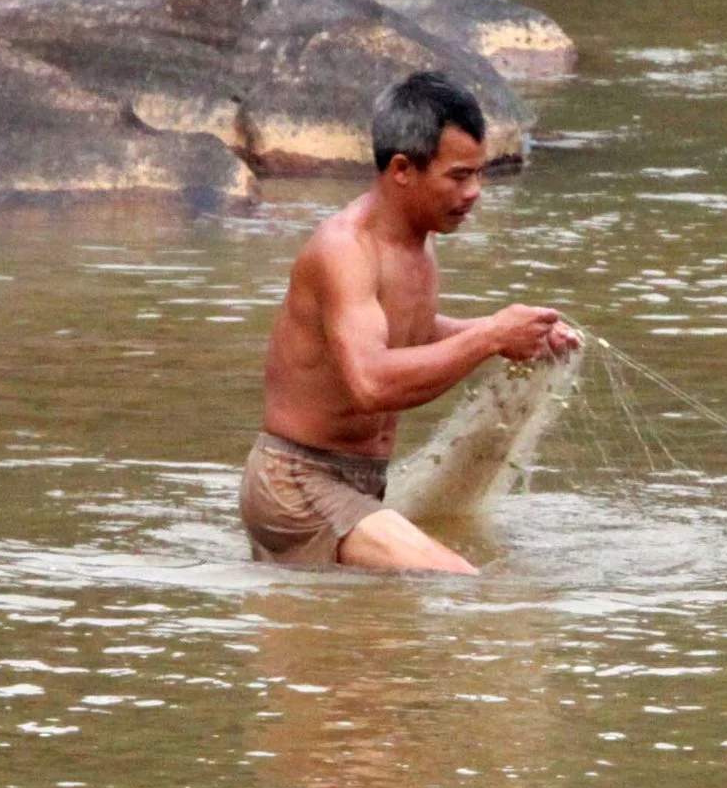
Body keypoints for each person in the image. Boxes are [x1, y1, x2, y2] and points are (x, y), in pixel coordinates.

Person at [247, 71, 580, 573]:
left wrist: (513, 337)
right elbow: (370, 382)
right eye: (459, 176)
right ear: (402, 169)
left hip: (360, 482)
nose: (475, 192)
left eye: (479, 174)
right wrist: (490, 336)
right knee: (462, 583)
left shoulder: (419, 238)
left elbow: (413, 332)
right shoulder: (346, 249)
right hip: (298, 484)